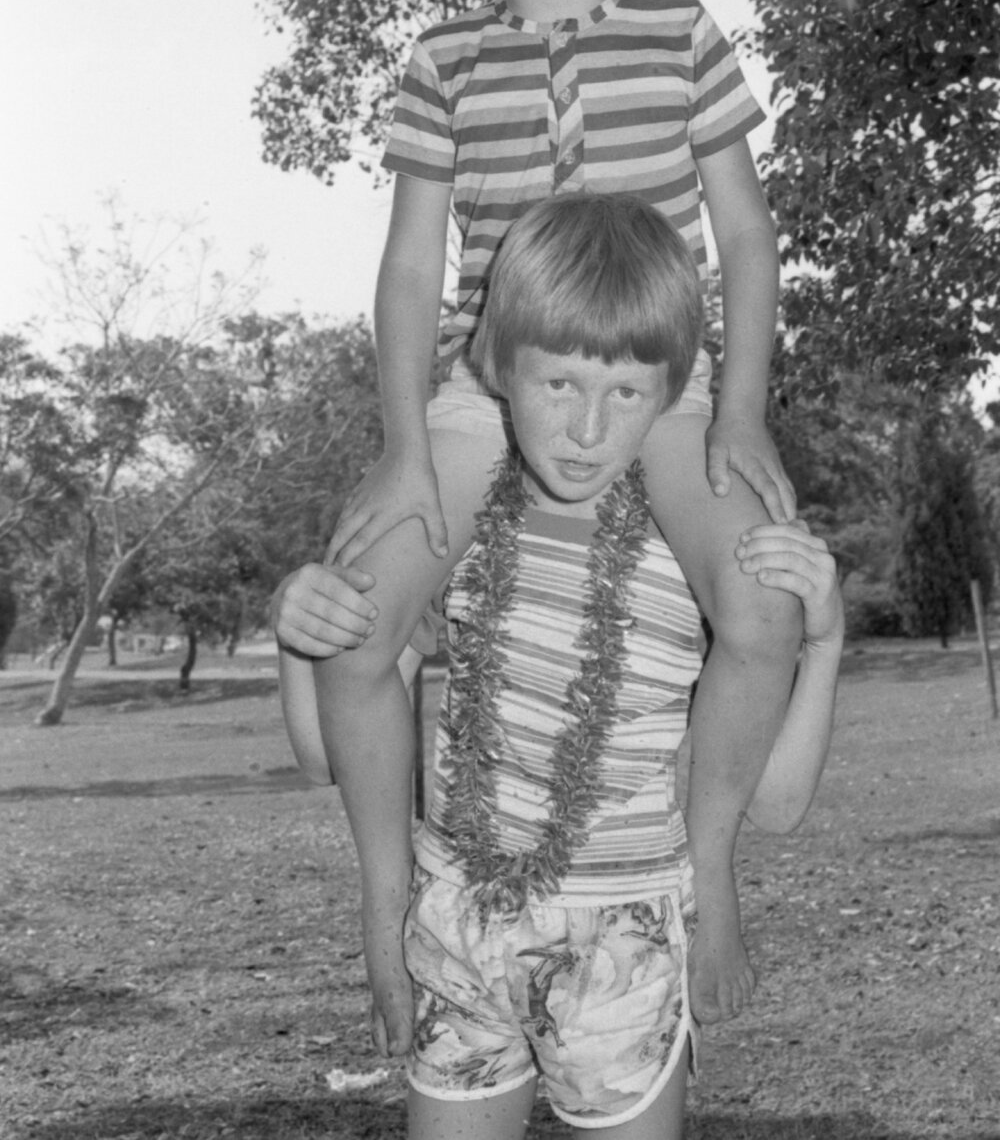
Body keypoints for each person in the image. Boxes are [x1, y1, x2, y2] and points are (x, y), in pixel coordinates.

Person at [278, 0, 802, 1039]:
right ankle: (389, 895)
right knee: (354, 624)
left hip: (660, 385)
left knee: (763, 606)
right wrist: (407, 446)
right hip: (483, 389)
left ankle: (709, 859)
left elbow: (742, 234)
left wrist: (736, 410)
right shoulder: (444, 61)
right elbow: (409, 270)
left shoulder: (682, 35)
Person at [278, 194, 844, 1140]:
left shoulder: (689, 553)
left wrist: (823, 643)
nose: (587, 430)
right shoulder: (452, 535)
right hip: (460, 934)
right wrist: (303, 634)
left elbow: (777, 804)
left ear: (672, 392)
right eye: (558, 385)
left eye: (626, 392)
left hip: (623, 948)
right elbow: (320, 753)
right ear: (498, 368)